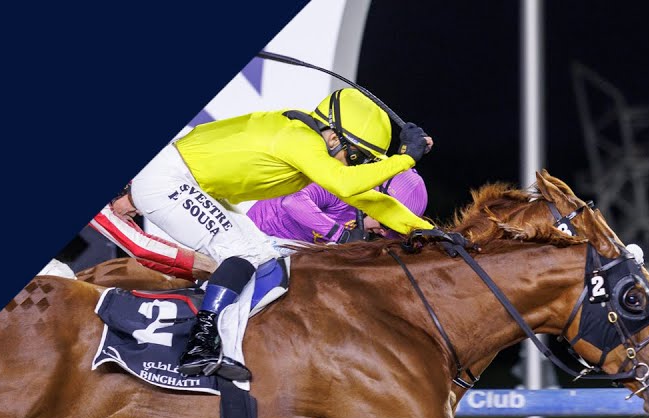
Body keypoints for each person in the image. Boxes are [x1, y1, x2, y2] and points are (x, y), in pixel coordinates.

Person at [93, 88, 437, 382]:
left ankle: (224, 346)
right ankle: (198, 344)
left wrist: (431, 233)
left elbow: (370, 199)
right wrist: (405, 159)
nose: (356, 166)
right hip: (168, 181)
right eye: (357, 157)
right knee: (242, 254)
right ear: (333, 138)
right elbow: (345, 183)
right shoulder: (299, 139)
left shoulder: (313, 145)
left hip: (193, 182)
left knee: (266, 260)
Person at [248, 168, 428, 247]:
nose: (383, 233)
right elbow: (292, 202)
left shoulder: (384, 230)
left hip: (294, 253)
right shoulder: (343, 186)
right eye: (386, 224)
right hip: (260, 235)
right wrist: (343, 236)